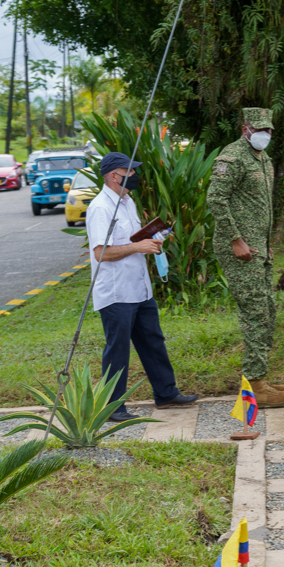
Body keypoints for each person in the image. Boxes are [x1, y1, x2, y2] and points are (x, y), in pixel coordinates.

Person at [85, 152, 199, 421]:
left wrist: (152, 239)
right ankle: (113, 407)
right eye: (130, 172)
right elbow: (101, 252)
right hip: (116, 292)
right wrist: (138, 246)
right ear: (114, 175)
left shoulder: (127, 201)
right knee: (118, 349)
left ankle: (166, 393)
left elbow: (132, 239)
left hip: (139, 289)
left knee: (152, 341)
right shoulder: (100, 208)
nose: (134, 177)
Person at [206, 107, 284, 407]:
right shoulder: (231, 157)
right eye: (259, 129)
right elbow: (215, 199)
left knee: (267, 310)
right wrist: (236, 239)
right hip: (239, 249)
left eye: (268, 130)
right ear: (245, 128)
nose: (265, 135)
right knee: (256, 311)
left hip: (258, 246)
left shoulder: (263, 158)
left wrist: (265, 242)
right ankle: (254, 386)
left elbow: (259, 205)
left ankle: (259, 378)